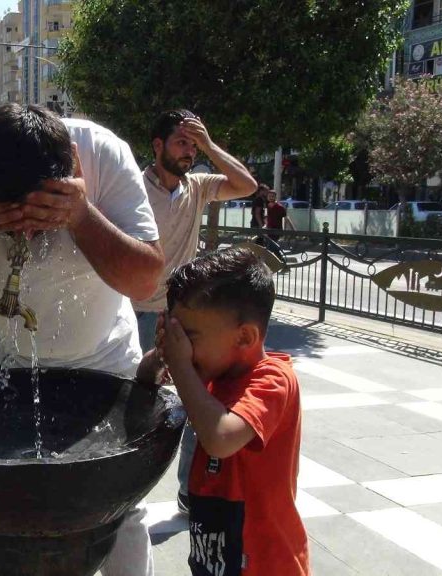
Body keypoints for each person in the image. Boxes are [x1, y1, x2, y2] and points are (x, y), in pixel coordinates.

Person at [0, 103, 164, 576]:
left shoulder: (103, 153)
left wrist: (82, 215)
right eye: (7, 218)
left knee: (119, 508)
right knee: (0, 507)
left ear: (74, 167)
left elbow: (147, 280)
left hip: (102, 361)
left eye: (41, 212)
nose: (25, 230)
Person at [137, 247, 309, 576]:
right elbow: (142, 383)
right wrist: (162, 354)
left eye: (189, 336)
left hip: (267, 565)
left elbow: (220, 438)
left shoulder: (273, 380)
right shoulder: (211, 372)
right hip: (216, 558)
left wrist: (180, 364)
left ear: (244, 336)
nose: (181, 346)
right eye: (177, 334)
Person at [130, 109, 257, 514]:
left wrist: (209, 145)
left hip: (178, 317)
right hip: (130, 313)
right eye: (182, 142)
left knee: (196, 399)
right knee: (131, 400)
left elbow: (247, 185)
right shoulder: (132, 187)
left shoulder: (197, 187)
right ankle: (125, 488)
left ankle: (189, 490)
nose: (188, 152)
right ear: (157, 145)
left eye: (192, 144)